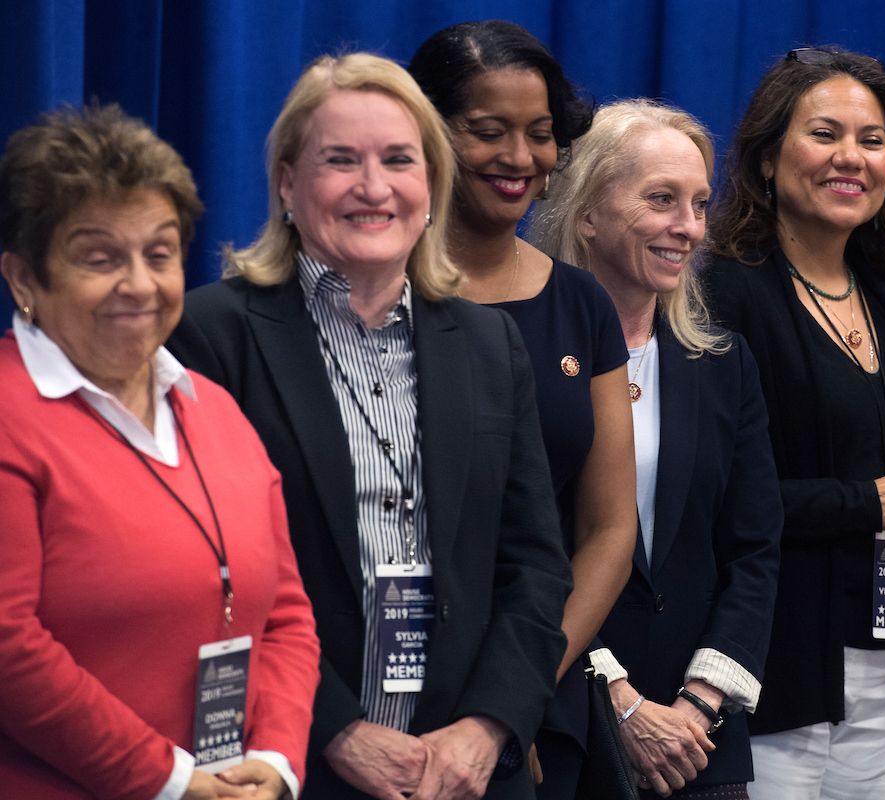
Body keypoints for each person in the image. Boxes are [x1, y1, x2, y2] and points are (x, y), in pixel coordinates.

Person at [167, 53, 573, 800]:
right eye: (340, 160)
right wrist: (339, 732)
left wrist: (487, 727)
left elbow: (536, 567)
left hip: (465, 773)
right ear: (288, 183)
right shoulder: (206, 337)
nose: (373, 186)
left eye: (397, 159)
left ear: (431, 185)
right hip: (289, 764)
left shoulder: (490, 344)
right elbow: (202, 581)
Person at [0, 104, 320, 800]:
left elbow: (288, 613)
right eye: (99, 258)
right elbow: (8, 650)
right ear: (25, 280)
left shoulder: (216, 407)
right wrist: (172, 781)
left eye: (160, 252)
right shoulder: (8, 416)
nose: (140, 284)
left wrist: (275, 759)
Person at [702, 47, 885, 799]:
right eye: (825, 134)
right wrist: (868, 503)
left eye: (872, 139)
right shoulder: (727, 296)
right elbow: (716, 496)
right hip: (779, 664)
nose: (851, 158)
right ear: (767, 158)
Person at [409, 22, 638, 798]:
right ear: (429, 133)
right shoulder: (372, 293)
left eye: (540, 134)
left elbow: (609, 528)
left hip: (540, 691)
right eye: (489, 131)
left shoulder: (582, 305)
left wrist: (513, 698)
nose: (519, 158)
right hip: (385, 693)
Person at [530, 99, 783, 800]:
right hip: (570, 730)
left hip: (699, 748)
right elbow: (523, 551)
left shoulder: (724, 363)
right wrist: (621, 700)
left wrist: (699, 702)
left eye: (700, 203)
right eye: (662, 200)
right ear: (587, 212)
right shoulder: (517, 354)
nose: (690, 227)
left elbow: (755, 548)